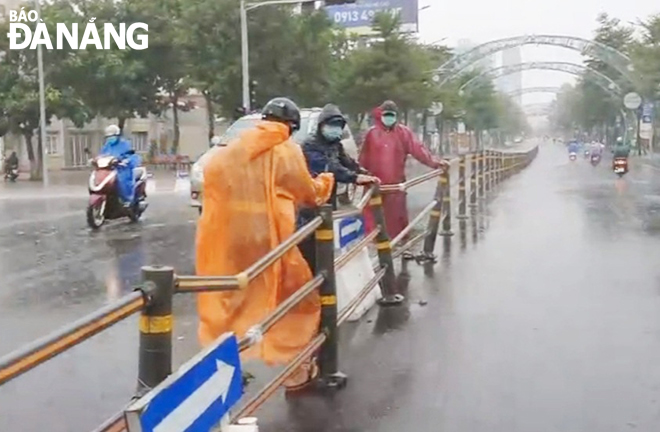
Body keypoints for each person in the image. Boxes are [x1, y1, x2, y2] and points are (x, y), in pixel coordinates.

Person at [196, 97, 335, 392]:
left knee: (232, 299)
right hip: (271, 239)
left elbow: (211, 184)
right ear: (291, 125)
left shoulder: (231, 149)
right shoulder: (287, 151)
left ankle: (225, 365)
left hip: (230, 240)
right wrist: (326, 181)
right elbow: (308, 193)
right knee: (295, 298)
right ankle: (296, 372)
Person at [297, 103, 379, 272]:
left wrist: (364, 173)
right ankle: (315, 286)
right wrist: (355, 178)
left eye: (338, 126)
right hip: (310, 205)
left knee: (325, 246)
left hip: (328, 201)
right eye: (331, 125)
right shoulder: (310, 146)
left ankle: (325, 285)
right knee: (310, 249)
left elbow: (347, 162)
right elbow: (331, 167)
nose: (335, 130)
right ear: (321, 126)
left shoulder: (335, 144)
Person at [359, 100, 448, 239]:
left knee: (395, 224)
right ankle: (376, 250)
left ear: (396, 116)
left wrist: (435, 163)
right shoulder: (372, 134)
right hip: (374, 186)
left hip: (395, 186)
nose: (388, 118)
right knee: (373, 224)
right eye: (386, 114)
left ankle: (397, 248)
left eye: (391, 115)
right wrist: (359, 176)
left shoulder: (403, 133)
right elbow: (363, 158)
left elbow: (419, 150)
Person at [99, 125, 140, 207]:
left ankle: (127, 199)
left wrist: (126, 160)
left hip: (122, 168)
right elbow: (102, 155)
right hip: (110, 169)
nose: (110, 138)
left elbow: (132, 155)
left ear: (117, 136)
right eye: (108, 137)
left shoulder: (125, 144)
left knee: (121, 180)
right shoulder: (107, 146)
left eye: (112, 136)